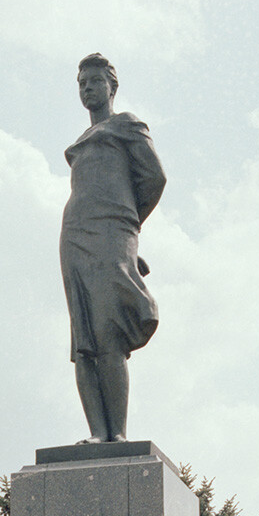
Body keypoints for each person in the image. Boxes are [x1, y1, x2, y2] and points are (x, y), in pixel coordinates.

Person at [61, 52, 166, 443]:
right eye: (81, 83)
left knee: (109, 333)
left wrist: (129, 228)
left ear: (112, 86)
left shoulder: (126, 125)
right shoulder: (80, 141)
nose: (87, 88)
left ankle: (117, 435)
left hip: (112, 232)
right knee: (83, 339)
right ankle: (96, 433)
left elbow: (154, 178)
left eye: (94, 81)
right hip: (74, 234)